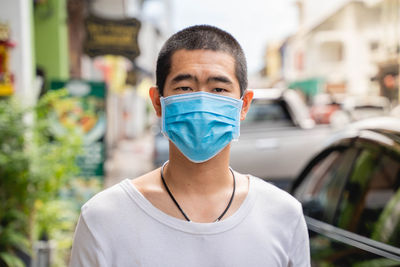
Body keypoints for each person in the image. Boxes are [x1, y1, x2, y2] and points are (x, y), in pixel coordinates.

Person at [69, 25, 310, 267]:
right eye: (185, 88)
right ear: (158, 102)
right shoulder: (104, 218)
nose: (202, 101)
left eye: (218, 89)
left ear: (244, 105)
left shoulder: (283, 215)